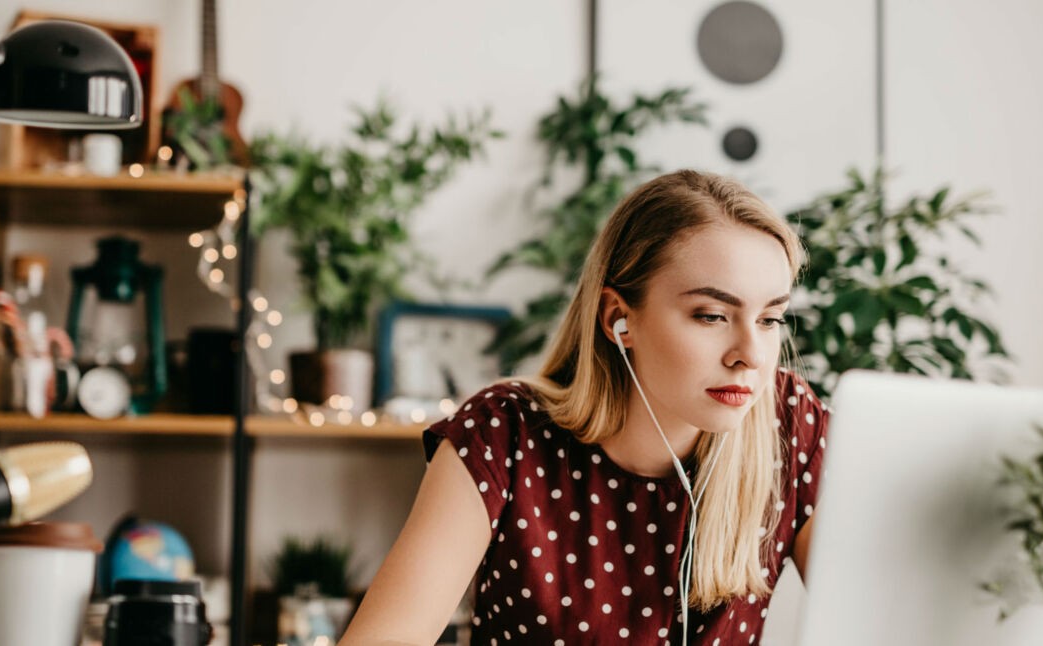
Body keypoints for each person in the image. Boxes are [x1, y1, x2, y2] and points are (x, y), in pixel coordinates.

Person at [340, 170, 829, 645]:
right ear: (619, 319)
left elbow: (871, 609)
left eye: (769, 319)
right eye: (712, 315)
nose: (751, 354)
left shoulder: (790, 425)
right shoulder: (503, 435)